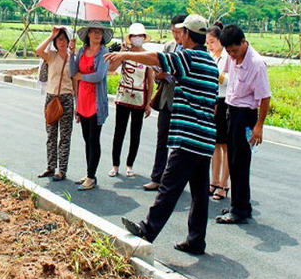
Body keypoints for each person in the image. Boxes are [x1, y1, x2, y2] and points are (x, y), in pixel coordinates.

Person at [114, 14, 219, 255]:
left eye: (181, 32)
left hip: (188, 137)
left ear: (188, 35)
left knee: (169, 187)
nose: (178, 36)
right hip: (204, 137)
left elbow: (158, 58)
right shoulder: (210, 63)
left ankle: (148, 229)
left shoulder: (188, 57)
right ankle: (196, 240)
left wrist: (125, 54)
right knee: (199, 194)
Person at [216, 25, 271, 225]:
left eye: (235, 51)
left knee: (240, 163)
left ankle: (240, 209)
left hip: (245, 115)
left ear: (244, 42)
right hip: (231, 110)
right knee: (233, 160)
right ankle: (238, 205)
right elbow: (227, 78)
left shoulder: (257, 64)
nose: (232, 55)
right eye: (228, 52)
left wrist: (259, 126)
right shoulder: (232, 57)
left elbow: (265, 98)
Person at [144, 14, 187, 190]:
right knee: (162, 140)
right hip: (165, 100)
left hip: (182, 103)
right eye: (173, 31)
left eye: (178, 32)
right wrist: (159, 75)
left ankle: (174, 180)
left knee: (179, 145)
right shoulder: (168, 46)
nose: (176, 35)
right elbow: (157, 70)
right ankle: (157, 177)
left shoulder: (191, 51)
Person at [110, 23, 155, 178]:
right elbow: (111, 68)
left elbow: (151, 81)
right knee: (119, 132)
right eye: (134, 36)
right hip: (123, 96)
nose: (137, 39)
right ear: (129, 38)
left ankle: (129, 165)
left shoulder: (148, 56)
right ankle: (115, 165)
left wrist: (148, 103)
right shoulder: (125, 54)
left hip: (139, 99)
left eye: (140, 36)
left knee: (135, 133)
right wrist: (121, 53)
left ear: (143, 38)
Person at [70, 22, 111, 190]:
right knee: (87, 140)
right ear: (88, 34)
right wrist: (71, 54)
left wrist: (82, 77)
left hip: (96, 102)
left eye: (99, 32)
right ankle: (89, 173)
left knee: (94, 139)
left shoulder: (104, 53)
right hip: (83, 100)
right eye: (93, 32)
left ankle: (91, 176)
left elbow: (99, 75)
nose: (96, 35)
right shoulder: (82, 51)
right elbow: (72, 73)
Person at [35, 26, 75, 181]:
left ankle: (62, 169)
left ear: (68, 41)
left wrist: (74, 51)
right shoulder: (51, 56)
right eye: (59, 40)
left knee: (65, 136)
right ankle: (51, 167)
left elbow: (76, 80)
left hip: (66, 98)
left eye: (64, 39)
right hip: (51, 98)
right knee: (51, 134)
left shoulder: (73, 58)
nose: (62, 42)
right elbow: (38, 50)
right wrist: (51, 36)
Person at [206, 26, 231, 201]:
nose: (210, 46)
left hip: (225, 101)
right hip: (213, 101)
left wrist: (217, 75)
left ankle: (224, 184)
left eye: (212, 42)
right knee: (214, 145)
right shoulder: (211, 56)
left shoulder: (228, 57)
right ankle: (213, 181)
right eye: (207, 43)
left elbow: (229, 80)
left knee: (226, 146)